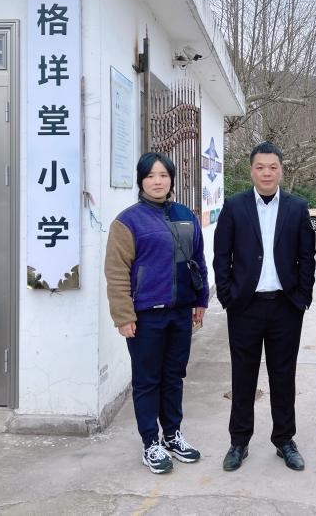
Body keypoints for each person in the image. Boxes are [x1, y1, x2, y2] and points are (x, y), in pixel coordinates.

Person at [213, 141, 316, 472]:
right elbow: (221, 257)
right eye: (260, 167)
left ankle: (284, 439)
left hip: (285, 306)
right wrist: (228, 296)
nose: (267, 173)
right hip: (245, 306)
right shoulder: (235, 206)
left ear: (281, 170)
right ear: (251, 171)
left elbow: (307, 257)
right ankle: (239, 441)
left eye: (273, 167)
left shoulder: (297, 207)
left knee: (283, 376)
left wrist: (302, 297)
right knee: (243, 375)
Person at [104, 152, 209, 474]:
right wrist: (123, 316)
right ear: (141, 181)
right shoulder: (127, 221)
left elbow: (198, 260)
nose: (157, 181)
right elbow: (117, 272)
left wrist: (201, 299)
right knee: (147, 380)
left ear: (171, 179)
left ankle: (172, 435)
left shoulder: (185, 215)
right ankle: (150, 442)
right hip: (146, 316)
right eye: (150, 176)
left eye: (163, 175)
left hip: (180, 312)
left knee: (174, 376)